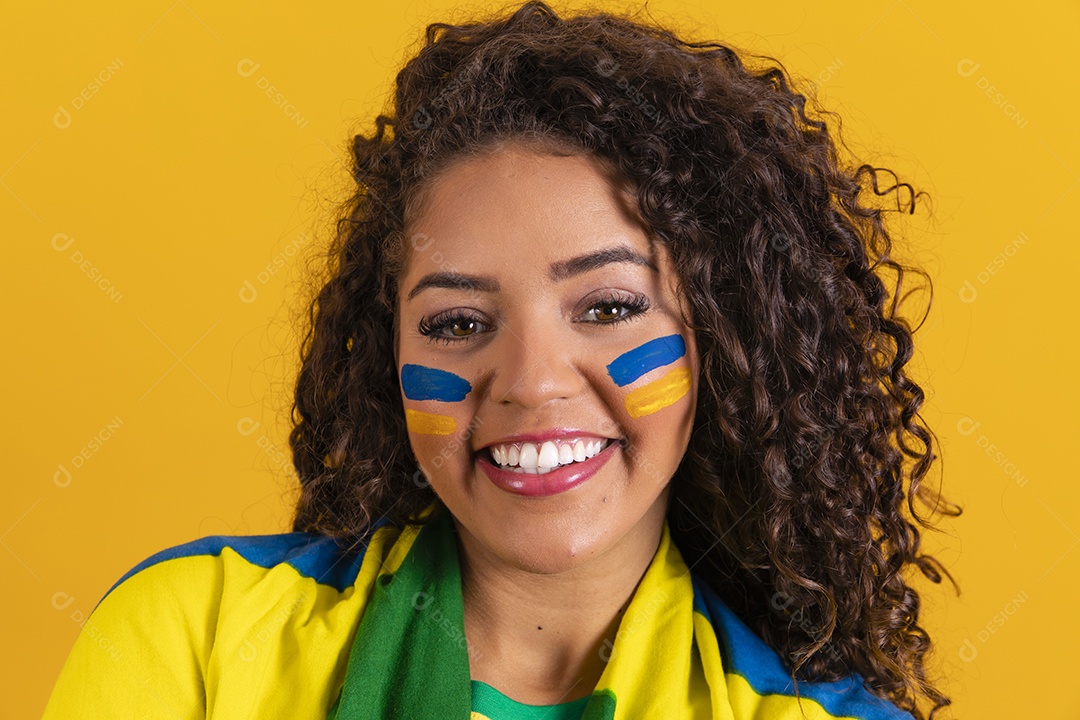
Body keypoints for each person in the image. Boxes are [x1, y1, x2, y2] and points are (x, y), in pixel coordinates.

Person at [42, 2, 961, 718]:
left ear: (722, 335)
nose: (530, 382)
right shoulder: (193, 641)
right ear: (386, 359)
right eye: (456, 323)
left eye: (608, 308)